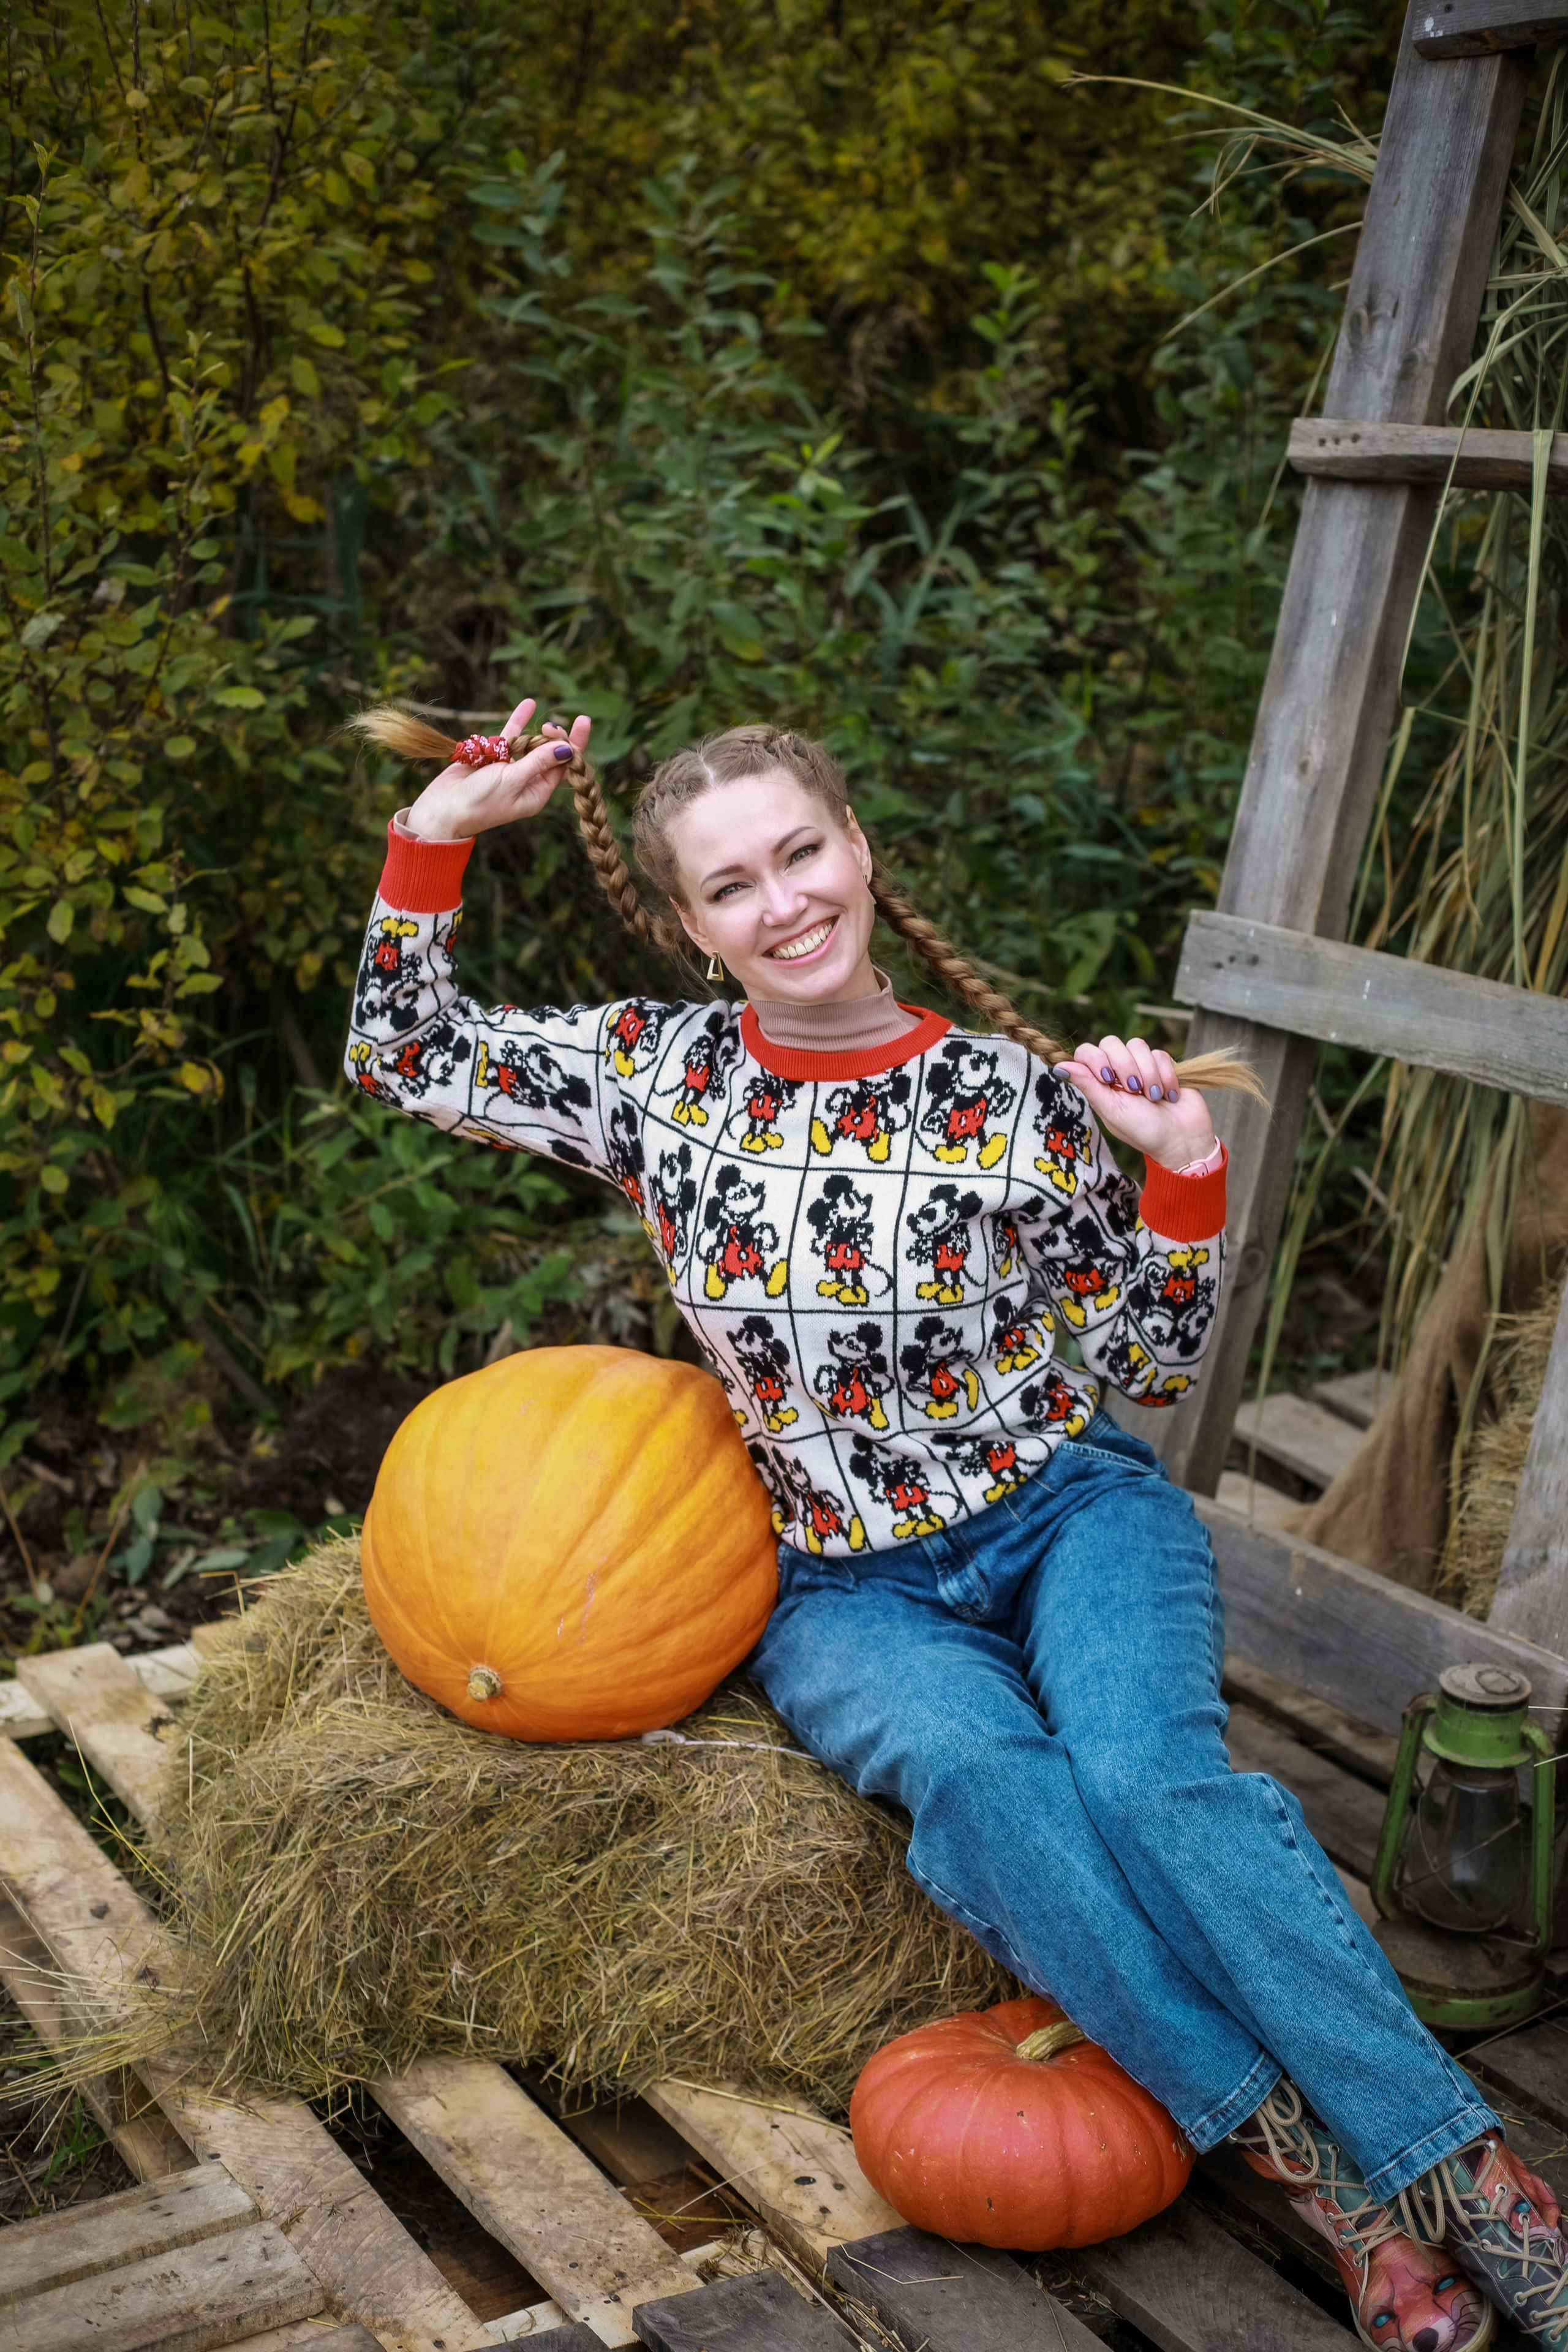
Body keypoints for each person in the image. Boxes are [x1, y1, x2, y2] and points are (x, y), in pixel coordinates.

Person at [345, 694, 1568, 2351]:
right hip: (848, 1588)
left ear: (858, 848)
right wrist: (437, 839)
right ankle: (1318, 2181)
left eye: (799, 852)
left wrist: (1182, 1168)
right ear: (694, 928)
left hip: (1066, 1513)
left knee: (1146, 1777)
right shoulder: (659, 1076)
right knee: (992, 1789)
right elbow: (403, 1054)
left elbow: (1147, 1355)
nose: (781, 901)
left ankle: (1466, 2165)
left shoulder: (1005, 1095)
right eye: (731, 887)